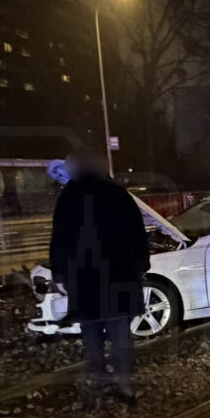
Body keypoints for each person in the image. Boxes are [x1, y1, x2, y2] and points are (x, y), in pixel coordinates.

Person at [49, 148, 149, 404]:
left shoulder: (69, 196)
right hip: (120, 276)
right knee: (120, 335)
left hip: (84, 281)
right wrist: (142, 265)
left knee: (91, 336)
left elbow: (59, 239)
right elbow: (137, 233)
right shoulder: (117, 194)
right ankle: (124, 385)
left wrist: (59, 274)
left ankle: (100, 384)